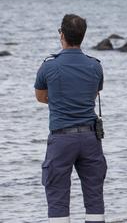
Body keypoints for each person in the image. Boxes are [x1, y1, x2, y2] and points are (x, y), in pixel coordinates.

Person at [35, 14, 107, 223]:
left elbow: (41, 97)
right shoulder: (95, 66)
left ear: (62, 34)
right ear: (82, 36)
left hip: (62, 138)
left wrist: (61, 100)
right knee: (94, 194)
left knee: (57, 194)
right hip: (90, 137)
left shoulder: (49, 65)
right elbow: (93, 94)